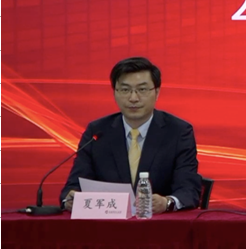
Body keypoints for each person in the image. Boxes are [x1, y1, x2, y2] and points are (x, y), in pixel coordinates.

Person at [61, 57, 201, 213]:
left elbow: (189, 189)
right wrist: (70, 199)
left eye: (142, 90)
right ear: (115, 92)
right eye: (125, 90)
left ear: (157, 92)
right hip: (108, 223)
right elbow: (74, 185)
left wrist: (166, 202)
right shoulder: (97, 132)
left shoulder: (178, 132)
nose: (133, 98)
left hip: (157, 223)